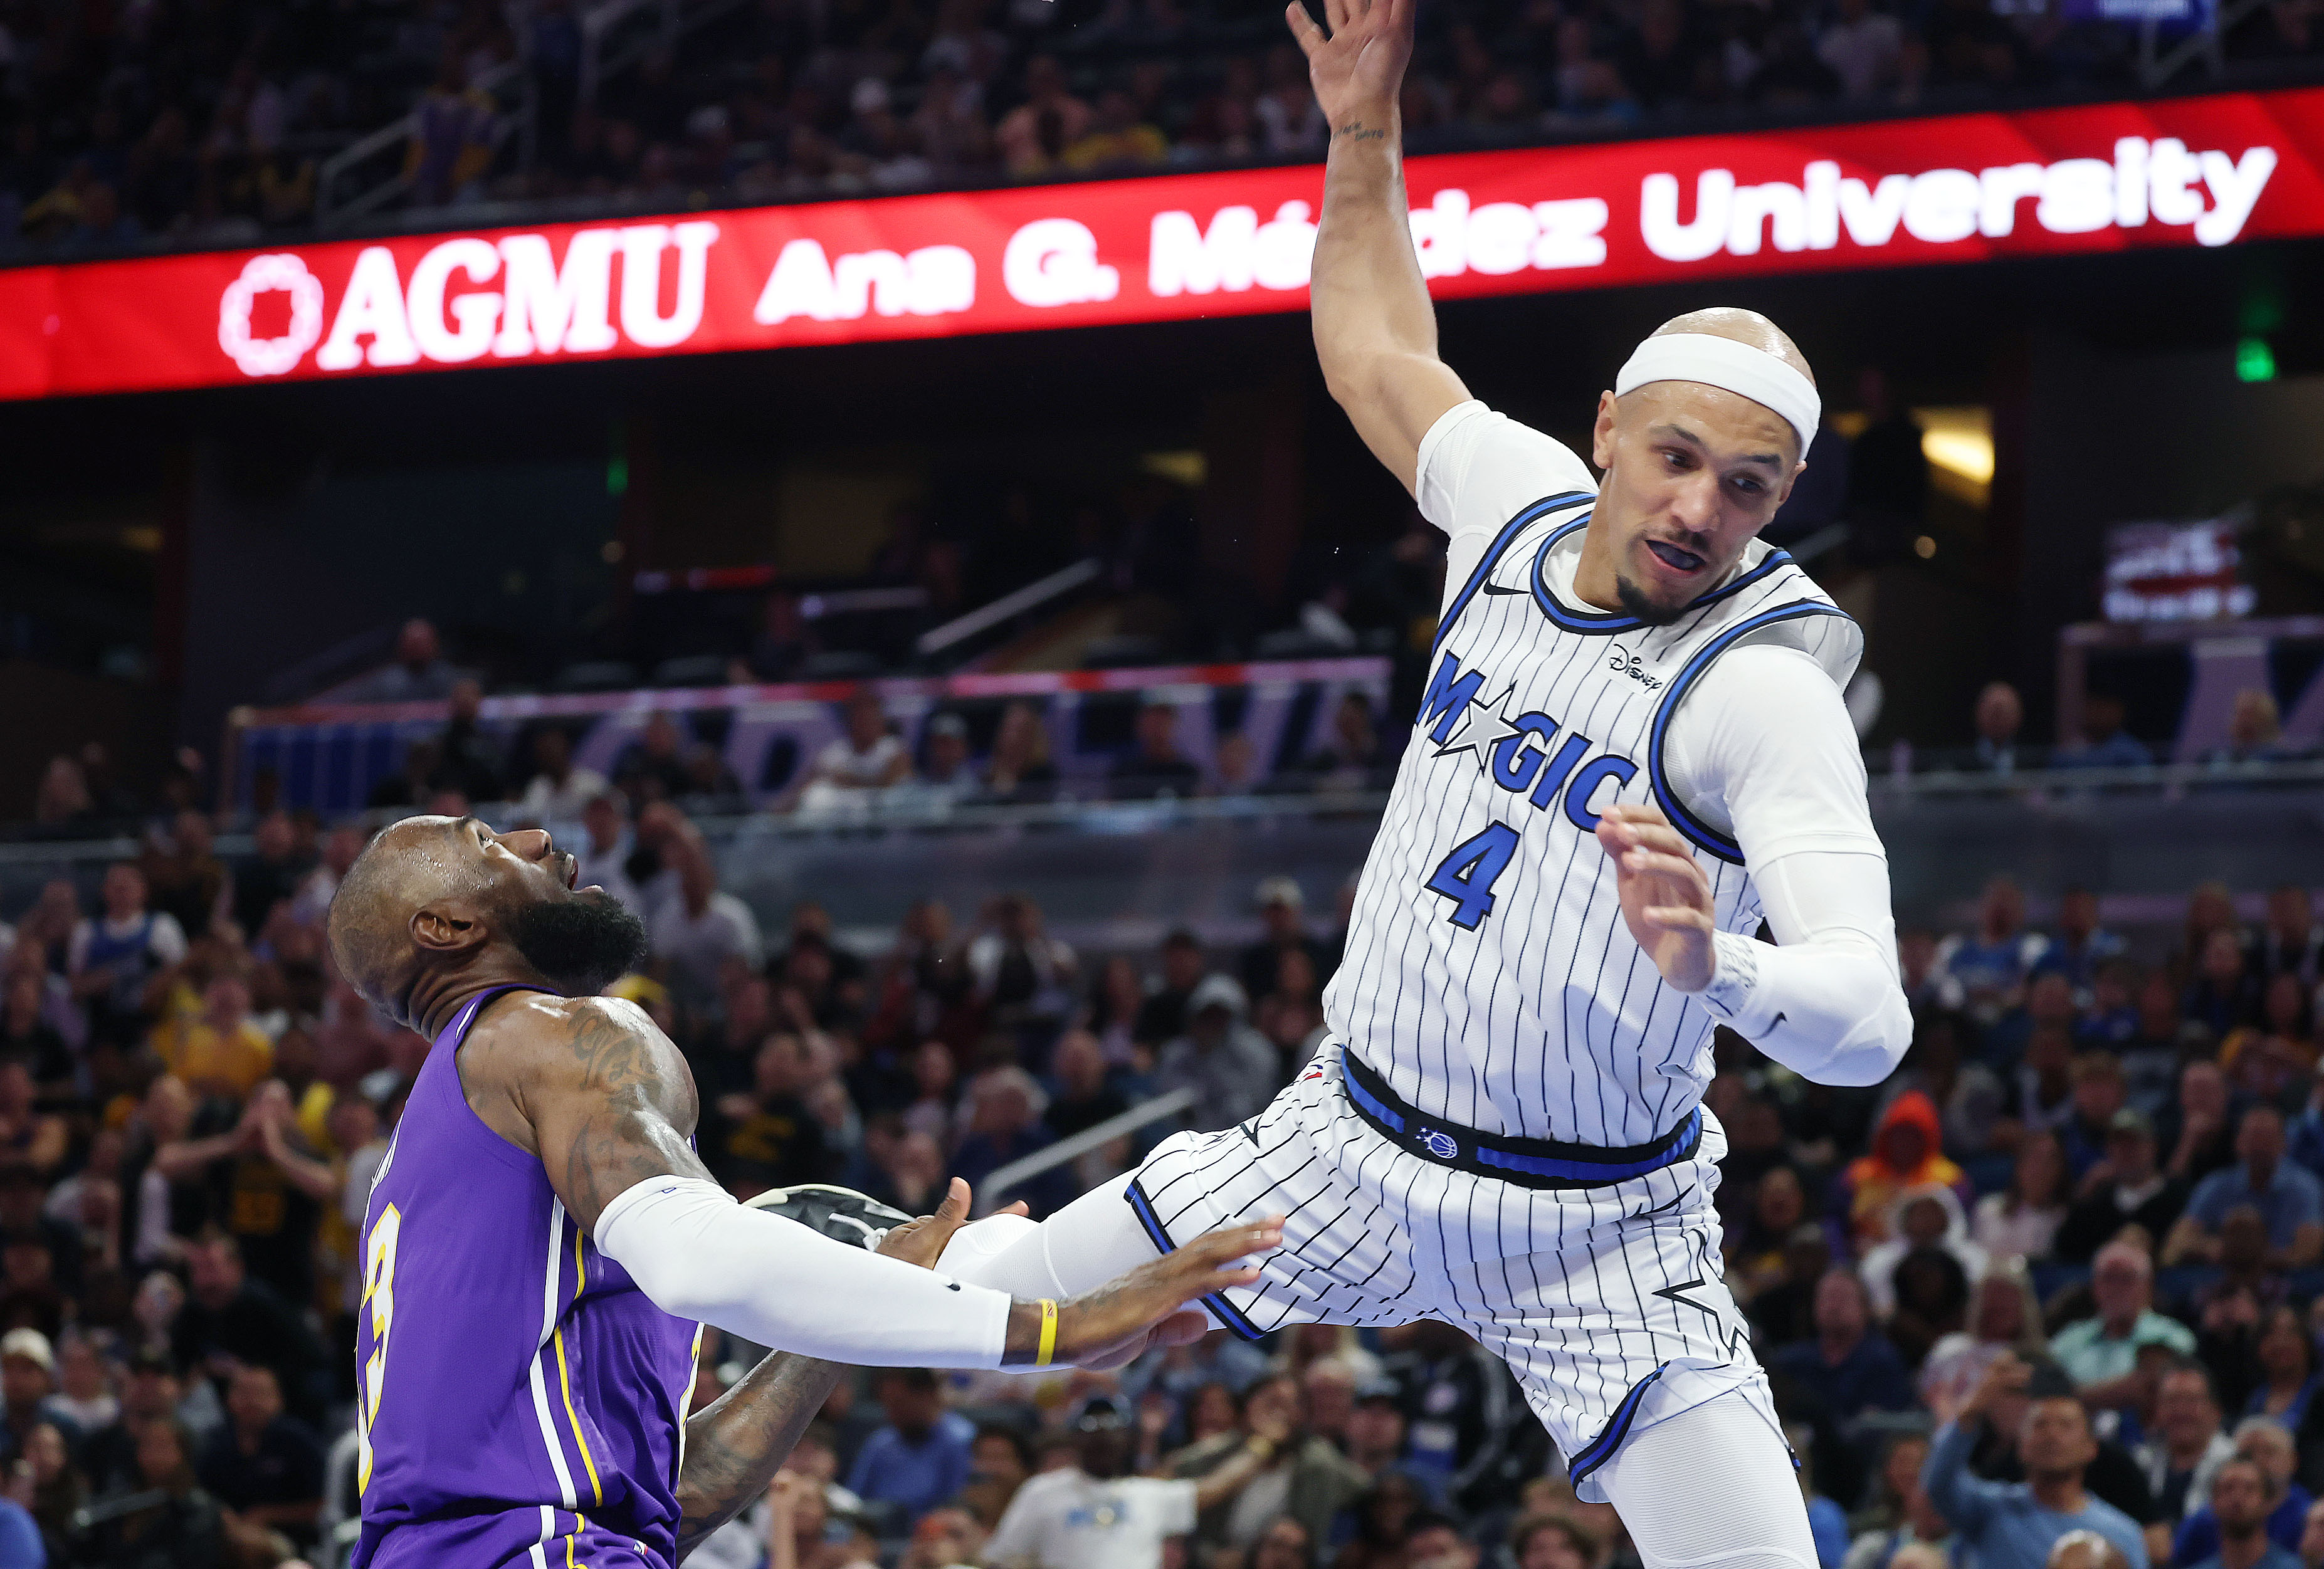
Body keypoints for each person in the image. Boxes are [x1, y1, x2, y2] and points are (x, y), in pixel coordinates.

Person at [926, 18, 1911, 1569]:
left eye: (1745, 487)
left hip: (1598, 1226)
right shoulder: (1512, 508)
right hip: (1339, 1147)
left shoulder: (1765, 690)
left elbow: (1869, 1018)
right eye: (1671, 459)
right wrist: (1364, 138)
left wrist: (1717, 965)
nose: (1693, 508)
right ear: (1603, 429)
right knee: (968, 1317)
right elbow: (1375, 355)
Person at [322, 811, 1276, 1565]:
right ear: (446, 927)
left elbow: (666, 1498)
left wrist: (828, 1333)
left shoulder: (427, 1163)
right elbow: (698, 1252)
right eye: (487, 841)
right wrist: (1060, 1328)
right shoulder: (549, 1033)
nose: (535, 836)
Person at [1922, 1353, 2150, 1569]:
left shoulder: (2123, 1533)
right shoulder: (1989, 1509)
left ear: (2091, 1448)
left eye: (2066, 1425)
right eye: (2040, 1425)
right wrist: (1971, 1411)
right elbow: (1938, 1484)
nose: (2052, 1434)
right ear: (2021, 1447)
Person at [2166, 1107, 2324, 1270]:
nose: (2260, 1147)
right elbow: (2174, 1248)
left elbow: (2308, 1252)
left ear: (2284, 1144)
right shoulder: (2216, 1185)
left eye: (2268, 1139)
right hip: (2222, 1277)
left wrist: (2249, 1255)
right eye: (2254, 1137)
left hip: (2282, 1280)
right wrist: (2212, 1248)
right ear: (2239, 1142)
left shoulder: (2304, 1187)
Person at [2049, 1242, 2196, 1408]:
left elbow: (2146, 1390)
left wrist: (2072, 1396)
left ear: (2147, 1287)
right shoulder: (2070, 1338)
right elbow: (2048, 1395)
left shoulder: (2172, 1336)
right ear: (2095, 1288)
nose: (2116, 1288)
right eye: (2108, 1278)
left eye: (2127, 1279)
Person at [2056, 1110, 2187, 1266]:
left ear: (2153, 1146)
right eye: (2118, 1143)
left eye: (2133, 1142)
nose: (2126, 1151)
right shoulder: (2097, 1203)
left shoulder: (2178, 1198)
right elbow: (2065, 1250)